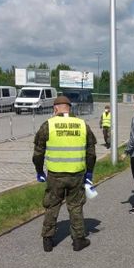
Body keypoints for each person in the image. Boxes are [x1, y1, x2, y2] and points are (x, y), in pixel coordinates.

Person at [33, 95, 97, 252]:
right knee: (75, 206)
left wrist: (39, 171)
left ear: (55, 108)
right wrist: (89, 172)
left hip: (55, 175)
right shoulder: (82, 125)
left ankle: (47, 240)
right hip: (77, 174)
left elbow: (38, 153)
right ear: (70, 108)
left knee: (52, 205)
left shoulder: (48, 125)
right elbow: (91, 153)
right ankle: (78, 240)